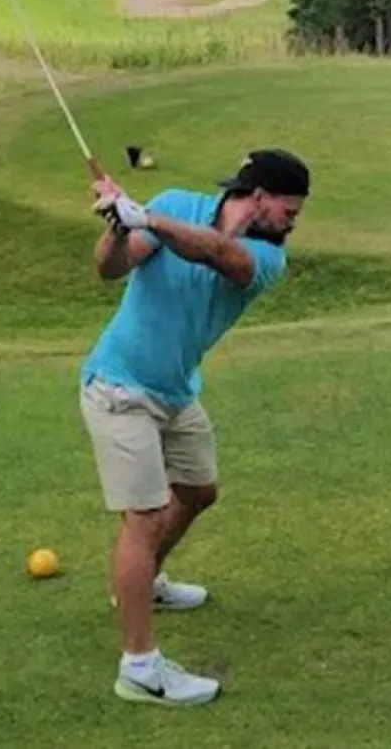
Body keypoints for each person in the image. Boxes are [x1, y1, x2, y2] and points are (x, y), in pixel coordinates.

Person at [79, 147, 311, 705]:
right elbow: (110, 269)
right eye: (289, 210)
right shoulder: (176, 202)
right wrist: (117, 227)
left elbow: (220, 256)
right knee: (146, 515)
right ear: (258, 197)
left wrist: (146, 216)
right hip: (119, 385)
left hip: (177, 392)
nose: (293, 222)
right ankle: (140, 667)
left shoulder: (266, 257)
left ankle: (144, 585)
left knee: (199, 492)